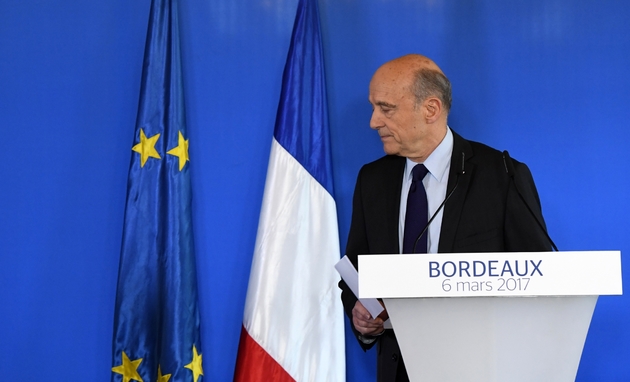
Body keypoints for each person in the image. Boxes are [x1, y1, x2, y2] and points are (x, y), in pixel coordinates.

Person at [338, 54, 552, 382]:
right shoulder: (372, 180)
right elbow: (355, 269)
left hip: (481, 369)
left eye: (386, 108)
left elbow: (540, 280)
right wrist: (360, 314)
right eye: (373, 107)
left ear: (431, 109)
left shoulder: (502, 175)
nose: (373, 121)